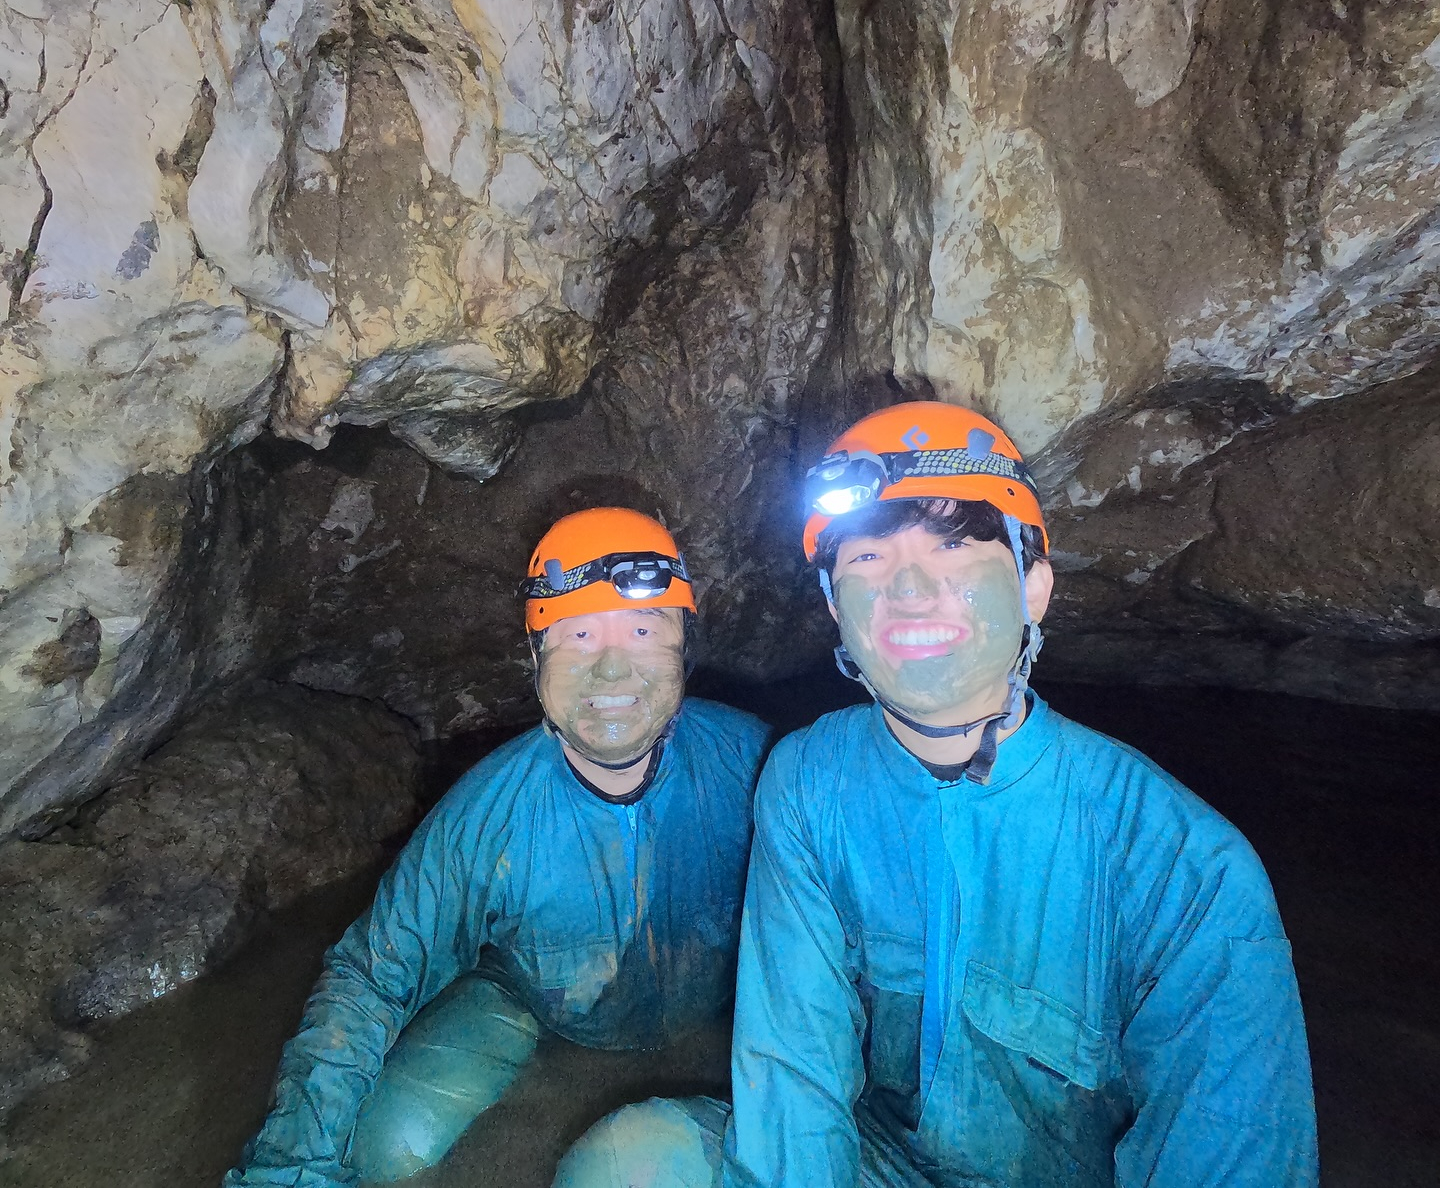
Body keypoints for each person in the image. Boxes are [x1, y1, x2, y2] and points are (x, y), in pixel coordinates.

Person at [555, 402, 1318, 1188]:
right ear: (833, 609)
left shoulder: (1189, 870)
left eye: (954, 545)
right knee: (634, 1163)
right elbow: (794, 1081)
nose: (910, 586)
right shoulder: (809, 782)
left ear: (1035, 589)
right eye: (870, 558)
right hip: (887, 1166)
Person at [225, 507, 771, 1186]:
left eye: (640, 629)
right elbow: (370, 977)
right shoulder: (485, 817)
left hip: (722, 1003)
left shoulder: (759, 763)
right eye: (576, 635)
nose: (609, 666)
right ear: (536, 659)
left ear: (684, 647)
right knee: (384, 1146)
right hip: (533, 999)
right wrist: (291, 1167)